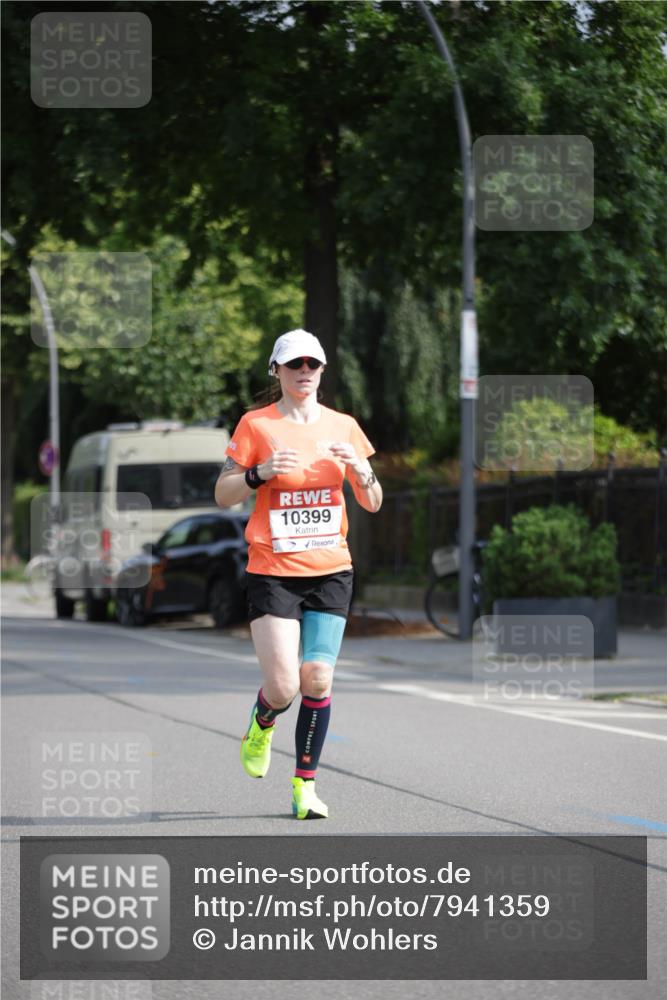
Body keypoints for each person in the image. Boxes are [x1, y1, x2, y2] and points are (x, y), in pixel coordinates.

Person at [215, 328, 382, 819]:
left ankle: (305, 786)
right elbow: (222, 492)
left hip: (331, 569)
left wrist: (361, 469)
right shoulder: (256, 425)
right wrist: (259, 473)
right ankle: (263, 720)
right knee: (286, 685)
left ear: (322, 371)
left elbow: (372, 502)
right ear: (277, 371)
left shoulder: (345, 427)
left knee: (319, 677)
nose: (304, 372)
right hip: (274, 570)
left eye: (312, 364)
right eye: (294, 365)